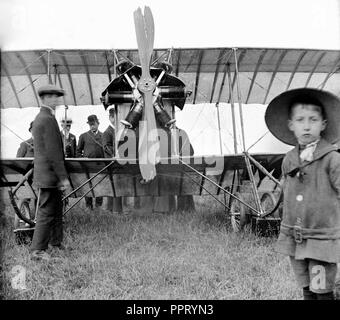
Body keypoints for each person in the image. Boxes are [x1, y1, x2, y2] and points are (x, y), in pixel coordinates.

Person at [265, 88, 340, 300]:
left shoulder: (332, 159)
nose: (306, 126)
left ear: (323, 124)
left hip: (321, 237)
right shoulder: (289, 159)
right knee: (305, 284)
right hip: (295, 236)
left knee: (321, 287)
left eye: (313, 120)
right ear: (291, 125)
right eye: (300, 120)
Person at [30, 84, 72, 261]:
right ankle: (38, 250)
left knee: (56, 209)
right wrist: (64, 178)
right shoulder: (47, 118)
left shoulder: (44, 117)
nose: (57, 100)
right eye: (53, 97)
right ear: (45, 98)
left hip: (47, 175)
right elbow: (55, 153)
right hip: (49, 176)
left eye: (57, 96)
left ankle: (56, 243)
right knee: (47, 212)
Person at [77, 114, 104, 210]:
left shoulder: (103, 136)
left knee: (99, 186)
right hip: (87, 167)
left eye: (94, 124)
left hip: (99, 166)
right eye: (90, 124)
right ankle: (89, 206)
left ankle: (98, 207)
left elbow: (106, 151)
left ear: (98, 123)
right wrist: (82, 160)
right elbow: (78, 151)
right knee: (87, 187)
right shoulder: (83, 136)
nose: (92, 126)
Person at [102, 107, 124, 214]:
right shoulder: (107, 132)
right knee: (114, 187)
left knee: (117, 186)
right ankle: (114, 210)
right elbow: (106, 147)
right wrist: (115, 155)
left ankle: (113, 209)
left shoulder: (118, 130)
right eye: (115, 117)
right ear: (110, 117)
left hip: (117, 163)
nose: (116, 119)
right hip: (111, 163)